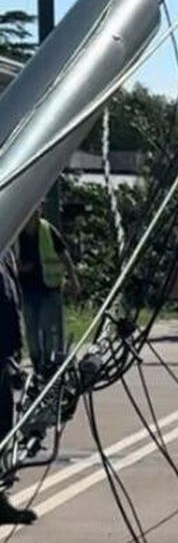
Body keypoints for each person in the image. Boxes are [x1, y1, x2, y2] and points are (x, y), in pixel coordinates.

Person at [0, 248, 38, 526]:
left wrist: (15, 354)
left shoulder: (6, 251)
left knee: (3, 427)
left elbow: (12, 303)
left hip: (4, 356)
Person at [14, 211, 75, 378]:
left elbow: (64, 256)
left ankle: (49, 366)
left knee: (49, 330)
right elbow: (10, 260)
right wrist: (19, 268)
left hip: (49, 288)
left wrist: (73, 279)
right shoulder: (16, 232)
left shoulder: (48, 230)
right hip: (27, 291)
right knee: (31, 335)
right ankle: (37, 366)